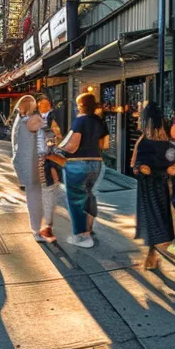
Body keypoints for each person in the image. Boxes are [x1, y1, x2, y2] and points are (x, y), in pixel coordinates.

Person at [130, 104, 175, 270]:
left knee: (152, 216)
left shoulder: (143, 141)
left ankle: (153, 252)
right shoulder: (166, 142)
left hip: (148, 185)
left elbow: (135, 165)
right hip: (161, 183)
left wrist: (142, 168)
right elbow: (171, 162)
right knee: (161, 215)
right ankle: (157, 250)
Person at [59, 92, 109, 249]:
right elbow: (104, 145)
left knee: (75, 199)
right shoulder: (100, 121)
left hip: (77, 163)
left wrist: (59, 147)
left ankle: (82, 236)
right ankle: (89, 230)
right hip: (97, 162)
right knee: (89, 196)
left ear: (81, 105)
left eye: (77, 104)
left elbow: (72, 146)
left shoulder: (80, 121)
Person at [10, 95, 59, 243]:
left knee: (38, 197)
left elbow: (48, 136)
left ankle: (39, 228)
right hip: (33, 164)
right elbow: (49, 136)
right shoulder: (26, 120)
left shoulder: (21, 121)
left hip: (33, 164)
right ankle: (38, 229)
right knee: (37, 197)